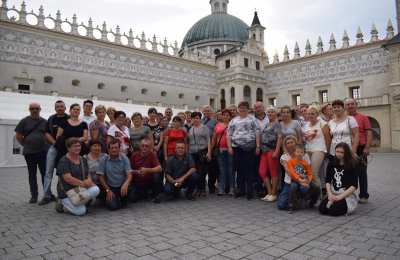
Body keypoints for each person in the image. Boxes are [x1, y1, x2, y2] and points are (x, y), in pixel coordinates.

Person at [55, 138, 100, 216]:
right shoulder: (63, 161)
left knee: (96, 189)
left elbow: (87, 173)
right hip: (67, 192)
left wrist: (89, 181)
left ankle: (79, 202)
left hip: (80, 189)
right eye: (74, 146)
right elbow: (68, 178)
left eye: (79, 146)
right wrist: (83, 184)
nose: (78, 148)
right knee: (81, 211)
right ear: (68, 148)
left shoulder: (82, 159)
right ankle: (62, 201)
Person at [15, 102, 49, 204]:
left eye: (36, 108)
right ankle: (34, 196)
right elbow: (18, 136)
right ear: (29, 110)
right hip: (29, 152)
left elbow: (49, 134)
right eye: (32, 108)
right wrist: (26, 144)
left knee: (45, 174)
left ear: (40, 109)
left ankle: (47, 195)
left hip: (43, 152)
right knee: (32, 174)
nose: (34, 110)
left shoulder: (45, 121)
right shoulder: (24, 121)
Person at [227, 101, 260, 200]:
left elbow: (257, 132)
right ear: (238, 109)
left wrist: (258, 146)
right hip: (236, 147)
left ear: (248, 109)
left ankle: (249, 191)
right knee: (238, 169)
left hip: (249, 147)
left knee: (249, 169)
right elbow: (228, 134)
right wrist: (229, 147)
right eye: (240, 108)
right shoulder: (234, 120)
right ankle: (241, 190)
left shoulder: (252, 119)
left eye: (244, 108)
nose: (242, 109)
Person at [277, 136, 320, 211]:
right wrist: (300, 181)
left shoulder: (305, 155)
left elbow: (309, 170)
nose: (290, 144)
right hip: (291, 181)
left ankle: (311, 202)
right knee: (281, 205)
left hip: (304, 179)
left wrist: (307, 180)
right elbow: (289, 172)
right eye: (288, 143)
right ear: (285, 145)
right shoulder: (284, 157)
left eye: (292, 142)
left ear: (295, 143)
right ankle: (296, 202)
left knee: (316, 187)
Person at [40, 100, 68, 205]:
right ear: (55, 108)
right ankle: (47, 195)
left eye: (62, 106)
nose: (60, 108)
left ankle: (63, 195)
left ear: (65, 108)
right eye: (58, 107)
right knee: (48, 172)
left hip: (66, 149)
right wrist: (55, 143)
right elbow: (46, 133)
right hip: (54, 147)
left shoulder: (69, 118)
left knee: (64, 173)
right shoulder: (51, 119)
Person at [319, 142, 359, 216]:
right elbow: (327, 181)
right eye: (337, 151)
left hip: (346, 194)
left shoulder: (352, 164)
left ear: (346, 153)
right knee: (322, 209)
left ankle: (343, 205)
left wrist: (340, 197)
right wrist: (330, 194)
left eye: (342, 152)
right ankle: (334, 203)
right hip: (334, 192)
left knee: (333, 211)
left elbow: (354, 186)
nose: (339, 154)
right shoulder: (331, 163)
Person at [345, 98, 372, 203]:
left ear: (356, 105)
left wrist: (367, 147)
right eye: (348, 104)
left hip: (361, 148)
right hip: (346, 148)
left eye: (352, 104)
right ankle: (348, 194)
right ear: (345, 106)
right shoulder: (343, 118)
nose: (350, 106)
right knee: (348, 172)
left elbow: (369, 133)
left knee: (361, 172)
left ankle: (363, 195)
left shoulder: (363, 118)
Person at [97, 139, 133, 211]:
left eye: (116, 148)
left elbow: (129, 175)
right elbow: (100, 176)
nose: (114, 150)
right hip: (110, 187)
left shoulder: (124, 158)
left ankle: (118, 199)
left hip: (122, 186)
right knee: (113, 207)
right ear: (108, 149)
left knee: (133, 196)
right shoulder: (103, 159)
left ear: (119, 149)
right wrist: (107, 190)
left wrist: (125, 184)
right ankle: (114, 199)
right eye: (112, 148)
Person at [302, 105, 330, 188]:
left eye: (312, 114)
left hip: (319, 149)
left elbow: (328, 139)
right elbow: (304, 138)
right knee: (308, 172)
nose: (310, 115)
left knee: (314, 173)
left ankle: (318, 197)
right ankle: (314, 192)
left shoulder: (323, 123)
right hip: (308, 149)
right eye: (309, 114)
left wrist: (326, 152)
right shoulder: (306, 125)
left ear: (317, 114)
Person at [259, 106, 282, 202]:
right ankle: (269, 192)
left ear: (276, 113)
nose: (270, 114)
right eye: (268, 112)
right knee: (262, 171)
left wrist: (277, 151)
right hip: (264, 150)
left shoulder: (277, 124)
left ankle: (273, 193)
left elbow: (280, 137)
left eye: (272, 112)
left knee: (273, 172)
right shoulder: (267, 124)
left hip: (272, 150)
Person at [129, 138, 163, 203]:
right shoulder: (134, 155)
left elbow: (160, 168)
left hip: (149, 181)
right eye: (142, 145)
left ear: (150, 148)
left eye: (146, 146)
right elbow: (129, 170)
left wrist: (147, 170)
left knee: (157, 174)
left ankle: (156, 195)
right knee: (132, 198)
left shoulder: (152, 154)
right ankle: (145, 193)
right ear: (140, 146)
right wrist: (137, 172)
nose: (144, 148)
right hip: (137, 182)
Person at [188, 112, 211, 196]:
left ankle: (202, 189)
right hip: (192, 152)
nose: (195, 119)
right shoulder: (190, 128)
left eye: (197, 118)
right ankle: (197, 188)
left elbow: (208, 140)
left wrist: (209, 152)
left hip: (202, 152)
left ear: (200, 119)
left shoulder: (204, 128)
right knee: (195, 171)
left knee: (202, 171)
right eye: (194, 118)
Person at [212, 109, 233, 195]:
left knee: (231, 169)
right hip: (220, 150)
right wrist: (210, 150)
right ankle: (222, 188)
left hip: (231, 150)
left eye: (227, 115)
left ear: (230, 116)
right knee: (222, 169)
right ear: (221, 116)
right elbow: (214, 138)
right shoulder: (217, 125)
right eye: (224, 115)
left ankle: (232, 188)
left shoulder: (233, 124)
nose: (225, 116)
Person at [202, 105, 218, 194]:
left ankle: (211, 186)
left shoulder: (215, 122)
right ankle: (202, 187)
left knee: (212, 169)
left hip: (212, 147)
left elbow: (215, 137)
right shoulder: (201, 121)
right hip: (202, 148)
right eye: (205, 111)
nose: (207, 112)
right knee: (203, 169)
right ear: (203, 112)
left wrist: (210, 149)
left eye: (208, 111)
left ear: (211, 112)